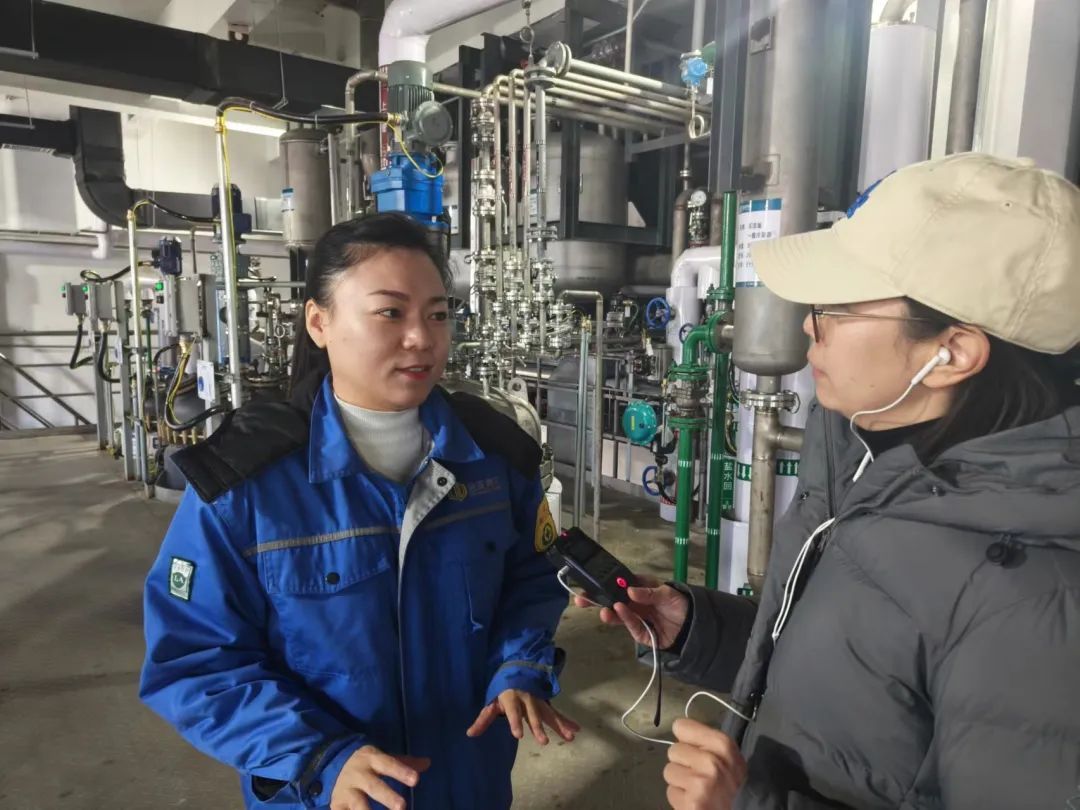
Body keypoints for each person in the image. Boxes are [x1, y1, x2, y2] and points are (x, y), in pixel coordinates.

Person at [578, 153, 1080, 809]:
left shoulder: (1034, 598)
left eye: (840, 306)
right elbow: (848, 676)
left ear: (952, 353)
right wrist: (696, 628)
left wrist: (746, 803)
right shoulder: (863, 458)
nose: (809, 323)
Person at [140, 212, 578, 810]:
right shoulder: (246, 485)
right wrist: (320, 755)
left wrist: (518, 665)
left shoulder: (494, 460)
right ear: (318, 322)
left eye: (438, 314)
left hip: (468, 782)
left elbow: (535, 576)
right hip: (324, 793)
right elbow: (193, 659)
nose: (422, 338)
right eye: (390, 312)